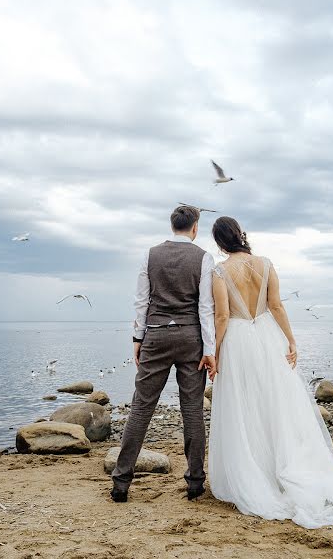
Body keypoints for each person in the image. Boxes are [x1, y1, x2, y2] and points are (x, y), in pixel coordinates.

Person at [207, 216, 333, 528]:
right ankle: (281, 468)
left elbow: (221, 317)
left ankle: (255, 472)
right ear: (240, 235)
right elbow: (276, 306)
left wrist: (215, 354)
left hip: (237, 342)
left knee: (244, 407)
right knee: (276, 405)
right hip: (267, 338)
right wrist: (290, 339)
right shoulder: (267, 263)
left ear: (219, 242)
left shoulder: (219, 271)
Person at [111, 205, 217, 502]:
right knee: (192, 408)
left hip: (155, 334)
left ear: (173, 226)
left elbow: (141, 301)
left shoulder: (150, 254)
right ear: (195, 227)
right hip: (190, 337)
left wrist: (137, 337)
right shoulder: (203, 258)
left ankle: (121, 482)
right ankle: (195, 482)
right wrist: (209, 350)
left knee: (142, 407)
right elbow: (205, 308)